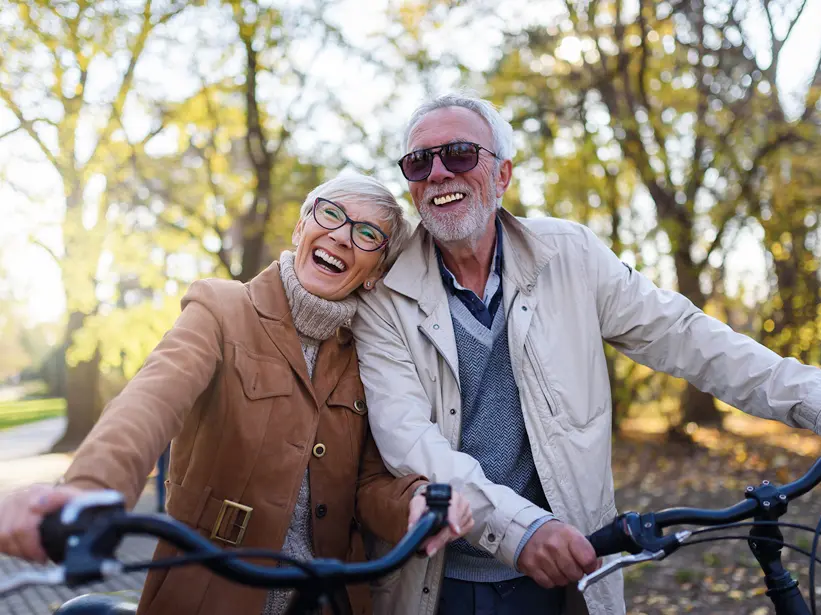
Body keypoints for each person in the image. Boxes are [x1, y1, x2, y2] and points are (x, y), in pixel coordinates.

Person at [351, 93, 821, 615]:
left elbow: (687, 337)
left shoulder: (571, 254)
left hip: (575, 569)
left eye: (460, 154)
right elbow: (409, 439)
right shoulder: (383, 297)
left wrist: (810, 398)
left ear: (502, 173)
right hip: (442, 584)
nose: (438, 173)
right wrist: (521, 530)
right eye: (420, 161)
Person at [0, 173, 474, 615]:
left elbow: (370, 483)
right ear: (300, 227)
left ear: (376, 271)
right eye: (330, 214)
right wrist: (90, 491)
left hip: (330, 596)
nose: (342, 236)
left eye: (367, 235)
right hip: (208, 587)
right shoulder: (221, 307)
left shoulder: (369, 353)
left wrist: (415, 501)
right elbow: (151, 399)